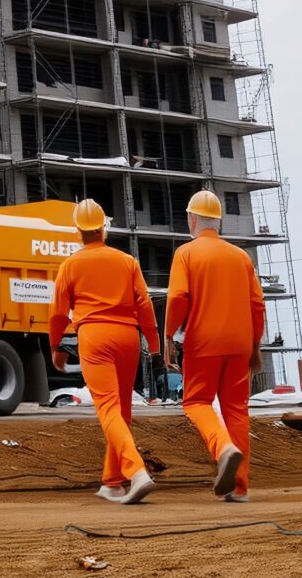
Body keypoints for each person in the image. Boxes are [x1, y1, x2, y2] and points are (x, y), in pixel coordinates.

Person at [49, 198, 159, 504]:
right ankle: (112, 482)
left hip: (94, 337)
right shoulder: (127, 262)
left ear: (77, 231)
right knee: (121, 412)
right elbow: (145, 304)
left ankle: (136, 472)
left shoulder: (70, 266)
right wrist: (153, 341)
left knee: (108, 409)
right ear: (104, 228)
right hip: (128, 337)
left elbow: (58, 314)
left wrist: (57, 347)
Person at [166, 189, 267, 501]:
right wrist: (255, 344)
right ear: (219, 222)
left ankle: (223, 448)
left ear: (192, 219)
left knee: (196, 403)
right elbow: (258, 305)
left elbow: (178, 297)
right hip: (239, 343)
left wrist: (168, 336)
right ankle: (239, 488)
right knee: (236, 409)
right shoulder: (241, 257)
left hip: (204, 342)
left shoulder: (186, 253)